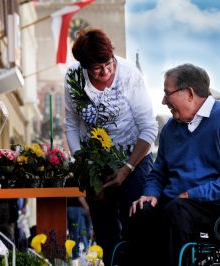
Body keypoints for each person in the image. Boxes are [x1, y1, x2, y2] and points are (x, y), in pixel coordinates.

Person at [129, 63, 220, 266]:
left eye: (167, 93)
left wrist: (191, 195)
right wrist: (149, 193)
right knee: (140, 210)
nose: (163, 101)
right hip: (176, 204)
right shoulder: (170, 128)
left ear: (189, 93)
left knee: (176, 211)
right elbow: (158, 173)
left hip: (217, 206)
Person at [64, 27, 158, 265]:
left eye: (108, 63)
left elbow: (148, 127)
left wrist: (126, 168)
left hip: (134, 158)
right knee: (105, 232)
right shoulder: (73, 78)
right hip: (95, 163)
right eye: (97, 67)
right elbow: (72, 125)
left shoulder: (128, 74)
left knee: (135, 226)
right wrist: (83, 165)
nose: (105, 70)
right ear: (84, 66)